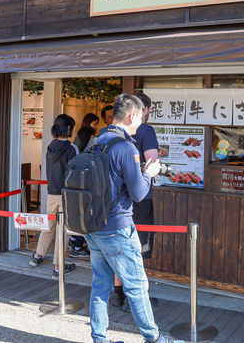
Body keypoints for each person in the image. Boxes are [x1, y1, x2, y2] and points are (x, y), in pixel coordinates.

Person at [84, 93, 182, 343]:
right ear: (132, 115)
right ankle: (155, 338)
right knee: (137, 286)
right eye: (140, 117)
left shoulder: (96, 141)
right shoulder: (126, 147)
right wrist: (149, 173)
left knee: (100, 285)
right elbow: (138, 193)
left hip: (93, 224)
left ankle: (100, 338)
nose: (141, 123)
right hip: (118, 226)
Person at [111, 92, 158, 309]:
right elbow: (152, 161)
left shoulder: (108, 134)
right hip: (139, 196)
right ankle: (134, 298)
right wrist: (153, 170)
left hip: (115, 201)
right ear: (143, 109)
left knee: (120, 248)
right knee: (138, 247)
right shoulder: (146, 130)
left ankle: (117, 294)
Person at [29, 114, 78, 279]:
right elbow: (76, 173)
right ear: (69, 129)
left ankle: (37, 256)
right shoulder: (72, 149)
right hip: (67, 194)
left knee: (49, 226)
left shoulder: (50, 147)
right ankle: (58, 267)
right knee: (63, 230)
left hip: (51, 192)